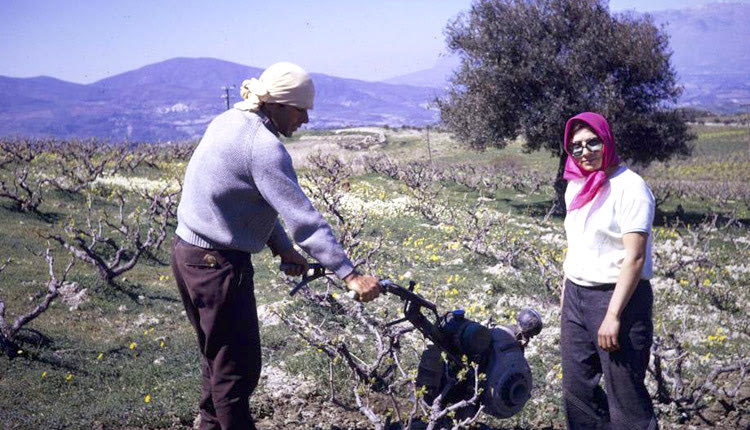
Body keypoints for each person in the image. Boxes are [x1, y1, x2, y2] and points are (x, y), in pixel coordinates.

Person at [171, 62, 381, 430]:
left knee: (217, 360)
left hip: (188, 254)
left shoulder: (228, 122)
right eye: (301, 110)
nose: (305, 120)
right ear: (280, 105)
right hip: (217, 266)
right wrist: (350, 274)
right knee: (236, 370)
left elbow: (240, 200)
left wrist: (281, 248)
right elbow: (304, 220)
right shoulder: (264, 147)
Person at [559, 112, 658, 429]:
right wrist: (566, 299)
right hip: (576, 296)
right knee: (577, 392)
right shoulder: (576, 187)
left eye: (592, 142)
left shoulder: (631, 188)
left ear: (607, 141)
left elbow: (635, 258)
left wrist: (613, 315)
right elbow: (577, 246)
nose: (584, 151)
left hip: (618, 300)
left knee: (625, 397)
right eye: (575, 146)